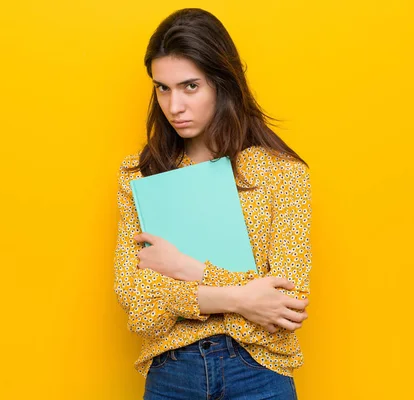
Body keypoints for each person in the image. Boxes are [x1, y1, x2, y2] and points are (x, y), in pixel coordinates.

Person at [114, 8, 312, 400]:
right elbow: (136, 301)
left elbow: (287, 304)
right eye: (162, 88)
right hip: (173, 374)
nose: (174, 107)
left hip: (259, 373)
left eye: (190, 86)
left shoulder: (282, 173)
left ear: (223, 83)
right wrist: (241, 298)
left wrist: (185, 269)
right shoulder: (141, 175)